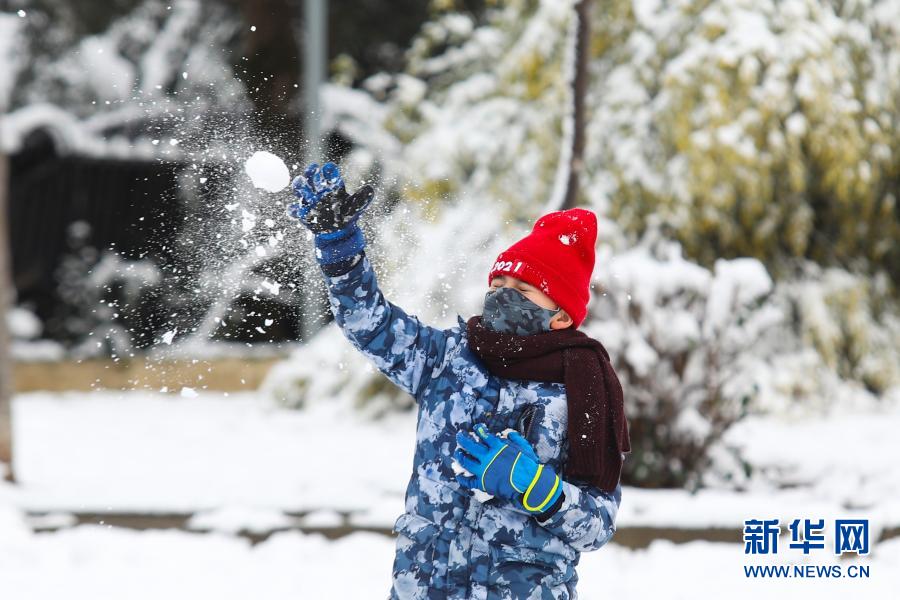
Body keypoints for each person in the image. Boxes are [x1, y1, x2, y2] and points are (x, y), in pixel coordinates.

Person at [289, 162, 631, 600]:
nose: (502, 294)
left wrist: (537, 488)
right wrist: (339, 250)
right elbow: (369, 324)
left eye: (522, 290)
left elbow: (597, 526)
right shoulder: (448, 359)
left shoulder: (583, 393)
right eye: (498, 281)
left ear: (561, 314)